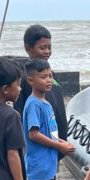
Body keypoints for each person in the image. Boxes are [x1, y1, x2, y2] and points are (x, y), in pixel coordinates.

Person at [22, 58, 75, 180]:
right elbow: (33, 134)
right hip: (40, 166)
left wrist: (63, 143)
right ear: (31, 80)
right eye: (43, 77)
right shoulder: (34, 104)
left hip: (48, 165)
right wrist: (59, 146)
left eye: (50, 76)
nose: (48, 80)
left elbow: (50, 132)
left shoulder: (45, 103)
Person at [14, 25, 68, 159]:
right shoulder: (26, 79)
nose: (47, 51)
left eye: (49, 47)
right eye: (42, 48)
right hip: (41, 144)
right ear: (29, 49)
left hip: (56, 140)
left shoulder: (51, 75)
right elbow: (20, 113)